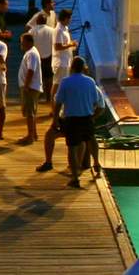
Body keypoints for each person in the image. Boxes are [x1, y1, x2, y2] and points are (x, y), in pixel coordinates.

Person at [52, 56, 103, 189]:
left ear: (72, 67)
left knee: (73, 149)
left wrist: (55, 119)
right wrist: (93, 116)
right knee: (91, 140)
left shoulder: (65, 82)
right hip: (87, 117)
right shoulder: (90, 82)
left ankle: (75, 178)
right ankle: (96, 164)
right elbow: (97, 102)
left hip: (72, 119)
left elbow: (58, 102)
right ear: (83, 68)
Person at [16, 32, 43, 144]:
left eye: (23, 43)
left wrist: (26, 85)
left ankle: (30, 136)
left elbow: (31, 70)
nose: (21, 45)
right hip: (32, 86)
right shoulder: (32, 52)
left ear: (29, 42)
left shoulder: (31, 54)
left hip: (30, 87)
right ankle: (34, 134)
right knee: (32, 111)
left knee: (29, 112)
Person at [29, 2, 59, 97]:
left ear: (37, 21)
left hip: (37, 56)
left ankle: (38, 94)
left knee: (38, 76)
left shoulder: (32, 31)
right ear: (46, 21)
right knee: (49, 77)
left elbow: (27, 40)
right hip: (49, 56)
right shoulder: (52, 31)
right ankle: (48, 96)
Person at [51, 8, 77, 100]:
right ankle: (53, 106)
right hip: (60, 62)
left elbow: (66, 43)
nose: (70, 21)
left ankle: (60, 104)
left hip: (66, 61)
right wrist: (70, 44)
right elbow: (57, 47)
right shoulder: (58, 30)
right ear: (65, 18)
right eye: (70, 18)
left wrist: (71, 44)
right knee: (57, 84)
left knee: (64, 84)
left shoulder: (65, 28)